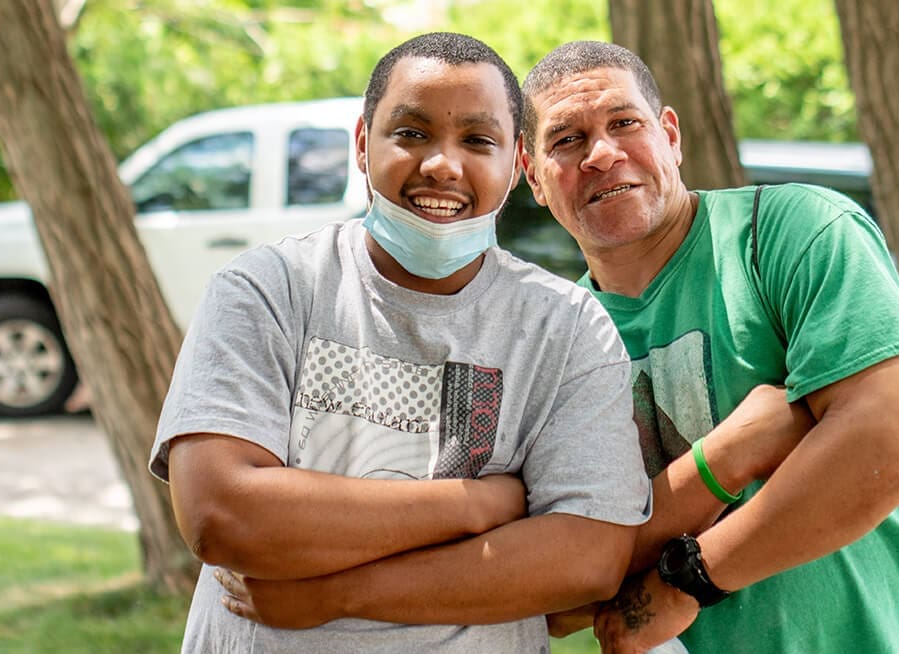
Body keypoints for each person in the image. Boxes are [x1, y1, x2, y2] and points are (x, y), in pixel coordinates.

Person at [149, 32, 804, 653]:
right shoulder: (270, 289)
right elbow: (222, 515)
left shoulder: (568, 330)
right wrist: (480, 504)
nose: (442, 164)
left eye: (477, 139)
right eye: (411, 133)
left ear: (518, 163)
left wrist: (337, 591)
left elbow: (587, 557)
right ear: (361, 143)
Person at [518, 40, 899, 653]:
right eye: (566, 140)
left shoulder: (792, 233)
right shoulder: (552, 347)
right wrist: (730, 454)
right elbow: (557, 578)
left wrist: (686, 581)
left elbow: (895, 437)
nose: (602, 153)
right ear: (532, 174)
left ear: (670, 135)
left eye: (625, 123)